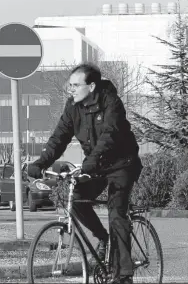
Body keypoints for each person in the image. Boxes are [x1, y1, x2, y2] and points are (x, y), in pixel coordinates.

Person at [27, 63, 143, 284]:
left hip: (122, 165)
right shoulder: (73, 107)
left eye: (75, 85)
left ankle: (124, 275)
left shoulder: (112, 103)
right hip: (97, 166)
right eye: (69, 85)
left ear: (91, 86)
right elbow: (59, 138)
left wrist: (91, 161)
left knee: (116, 212)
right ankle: (103, 238)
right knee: (77, 198)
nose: (70, 89)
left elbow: (110, 134)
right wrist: (41, 163)